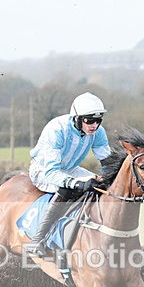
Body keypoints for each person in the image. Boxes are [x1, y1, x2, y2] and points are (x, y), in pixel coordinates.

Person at [26, 92, 112, 257]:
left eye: (98, 120)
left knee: (100, 186)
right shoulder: (56, 129)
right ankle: (37, 240)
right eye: (89, 120)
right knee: (67, 189)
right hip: (43, 170)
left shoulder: (98, 132)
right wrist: (77, 184)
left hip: (71, 169)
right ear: (77, 118)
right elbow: (52, 172)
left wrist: (108, 178)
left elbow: (107, 163)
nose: (94, 125)